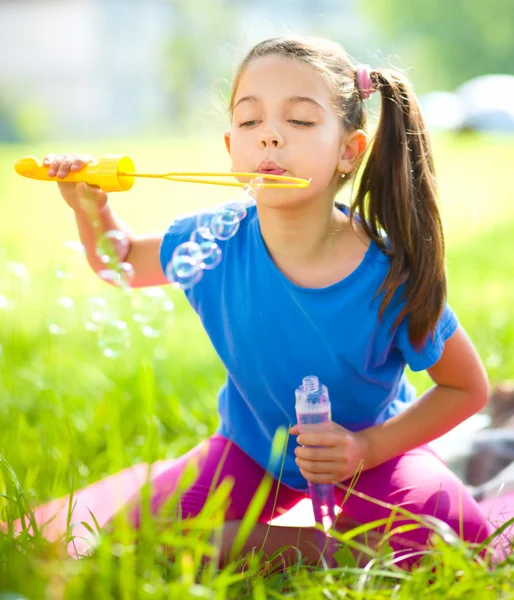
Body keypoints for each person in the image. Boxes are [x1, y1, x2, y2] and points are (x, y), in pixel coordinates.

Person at [41, 35, 492, 570]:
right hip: (251, 453)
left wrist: (368, 447)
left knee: (453, 542)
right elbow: (118, 263)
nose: (270, 138)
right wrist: (90, 209)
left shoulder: (389, 275)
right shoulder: (215, 241)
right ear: (231, 148)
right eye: (250, 121)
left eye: (299, 121)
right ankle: (318, 549)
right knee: (129, 544)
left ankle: (256, 543)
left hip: (369, 457)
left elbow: (466, 387)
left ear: (349, 151)